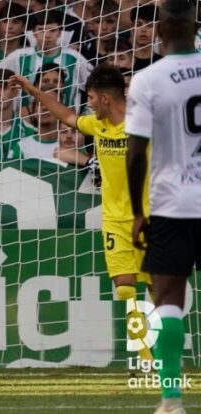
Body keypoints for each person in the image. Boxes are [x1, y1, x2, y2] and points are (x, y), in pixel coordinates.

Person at [11, 63, 154, 364]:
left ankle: (166, 351)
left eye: (90, 98)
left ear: (105, 98)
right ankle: (146, 355)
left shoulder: (145, 123)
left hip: (150, 217)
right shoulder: (96, 125)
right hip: (114, 219)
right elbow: (65, 115)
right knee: (125, 287)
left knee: (158, 288)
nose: (88, 104)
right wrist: (33, 90)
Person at [126, 1, 201, 413]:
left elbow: (136, 153)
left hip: (172, 204)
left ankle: (172, 400)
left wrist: (138, 212)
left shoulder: (148, 79)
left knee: (168, 299)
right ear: (195, 25)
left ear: (158, 31)